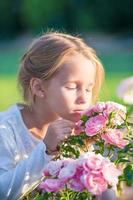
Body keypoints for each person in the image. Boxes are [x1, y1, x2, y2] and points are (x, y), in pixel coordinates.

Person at [0, 32, 115, 200]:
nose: (84, 98)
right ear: (39, 88)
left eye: (88, 89)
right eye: (72, 86)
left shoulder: (79, 132)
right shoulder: (7, 129)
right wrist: (46, 149)